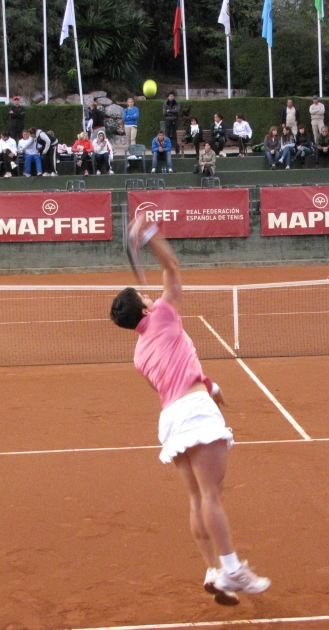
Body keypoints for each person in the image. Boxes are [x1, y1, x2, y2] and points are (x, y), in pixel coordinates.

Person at [109, 225, 271, 604]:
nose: (152, 296)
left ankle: (212, 569)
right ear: (146, 308)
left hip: (172, 419)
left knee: (198, 499)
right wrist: (147, 234)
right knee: (213, 495)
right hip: (195, 414)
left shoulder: (138, 356)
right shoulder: (164, 313)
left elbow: (172, 381)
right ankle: (232, 570)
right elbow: (173, 264)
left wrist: (210, 387)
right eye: (146, 296)